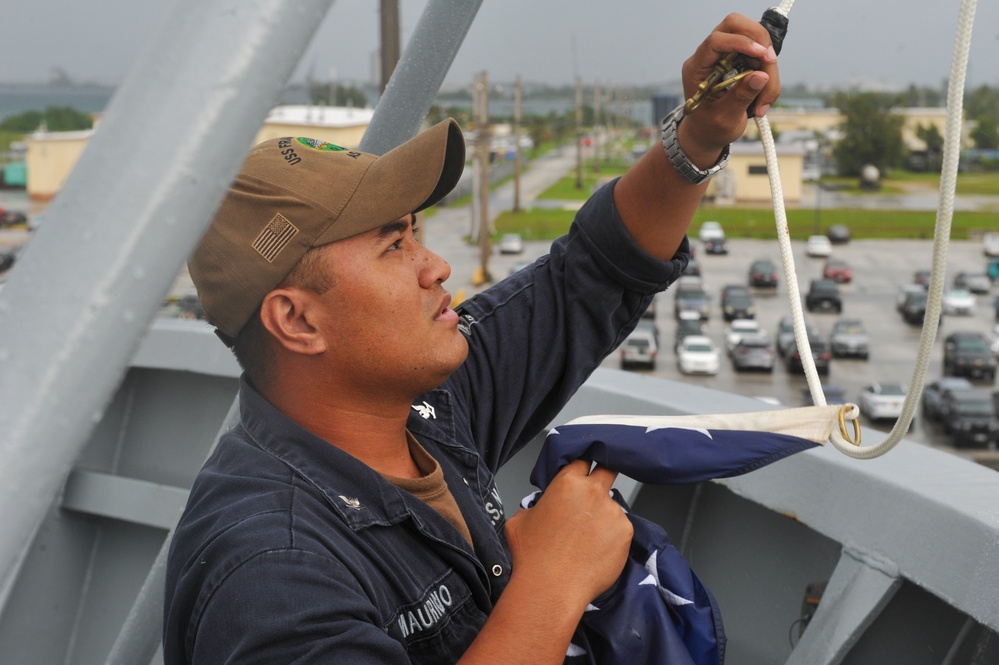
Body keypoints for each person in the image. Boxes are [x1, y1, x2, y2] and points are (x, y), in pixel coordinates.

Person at [163, 12, 780, 665]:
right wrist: (553, 580)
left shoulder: (422, 412)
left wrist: (702, 132)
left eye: (416, 234)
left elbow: (593, 274)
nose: (435, 267)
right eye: (394, 246)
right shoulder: (269, 569)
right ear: (297, 320)